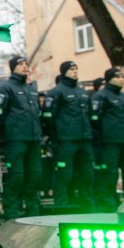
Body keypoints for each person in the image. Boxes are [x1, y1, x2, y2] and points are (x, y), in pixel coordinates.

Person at [0, 56, 43, 219]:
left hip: (33, 140)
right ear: (12, 67)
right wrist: (9, 132)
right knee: (16, 177)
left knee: (34, 176)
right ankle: (12, 213)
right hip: (15, 141)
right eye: (20, 64)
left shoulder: (30, 88)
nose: (24, 66)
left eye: (25, 64)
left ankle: (33, 213)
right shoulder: (6, 88)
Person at [41, 61, 93, 211]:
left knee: (86, 174)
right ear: (64, 72)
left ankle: (87, 206)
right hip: (66, 140)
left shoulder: (82, 92)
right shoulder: (56, 92)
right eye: (71, 69)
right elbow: (48, 117)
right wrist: (58, 133)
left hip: (84, 139)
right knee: (64, 175)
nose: (75, 72)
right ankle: (62, 205)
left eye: (76, 69)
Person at [90, 68, 124, 210]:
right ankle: (108, 205)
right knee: (110, 175)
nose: (121, 79)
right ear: (110, 78)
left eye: (122, 76)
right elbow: (95, 119)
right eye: (118, 76)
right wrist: (106, 132)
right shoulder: (101, 96)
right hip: (110, 141)